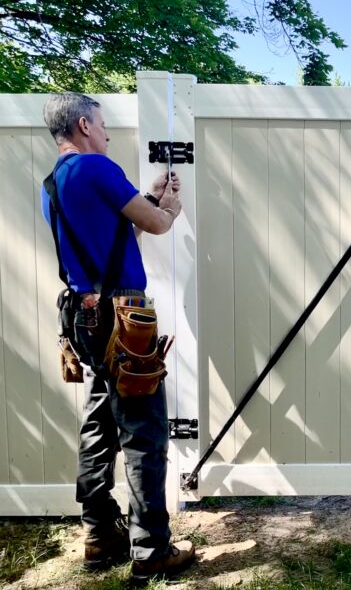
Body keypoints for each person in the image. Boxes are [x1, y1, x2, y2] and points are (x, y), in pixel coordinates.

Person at [41, 92, 194, 583]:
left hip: (82, 316)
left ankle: (99, 534)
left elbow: (115, 237)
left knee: (97, 426)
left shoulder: (54, 182)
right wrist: (168, 206)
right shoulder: (98, 167)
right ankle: (151, 550)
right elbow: (154, 226)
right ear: (84, 125)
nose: (107, 134)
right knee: (144, 433)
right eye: (103, 125)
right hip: (124, 318)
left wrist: (147, 198)